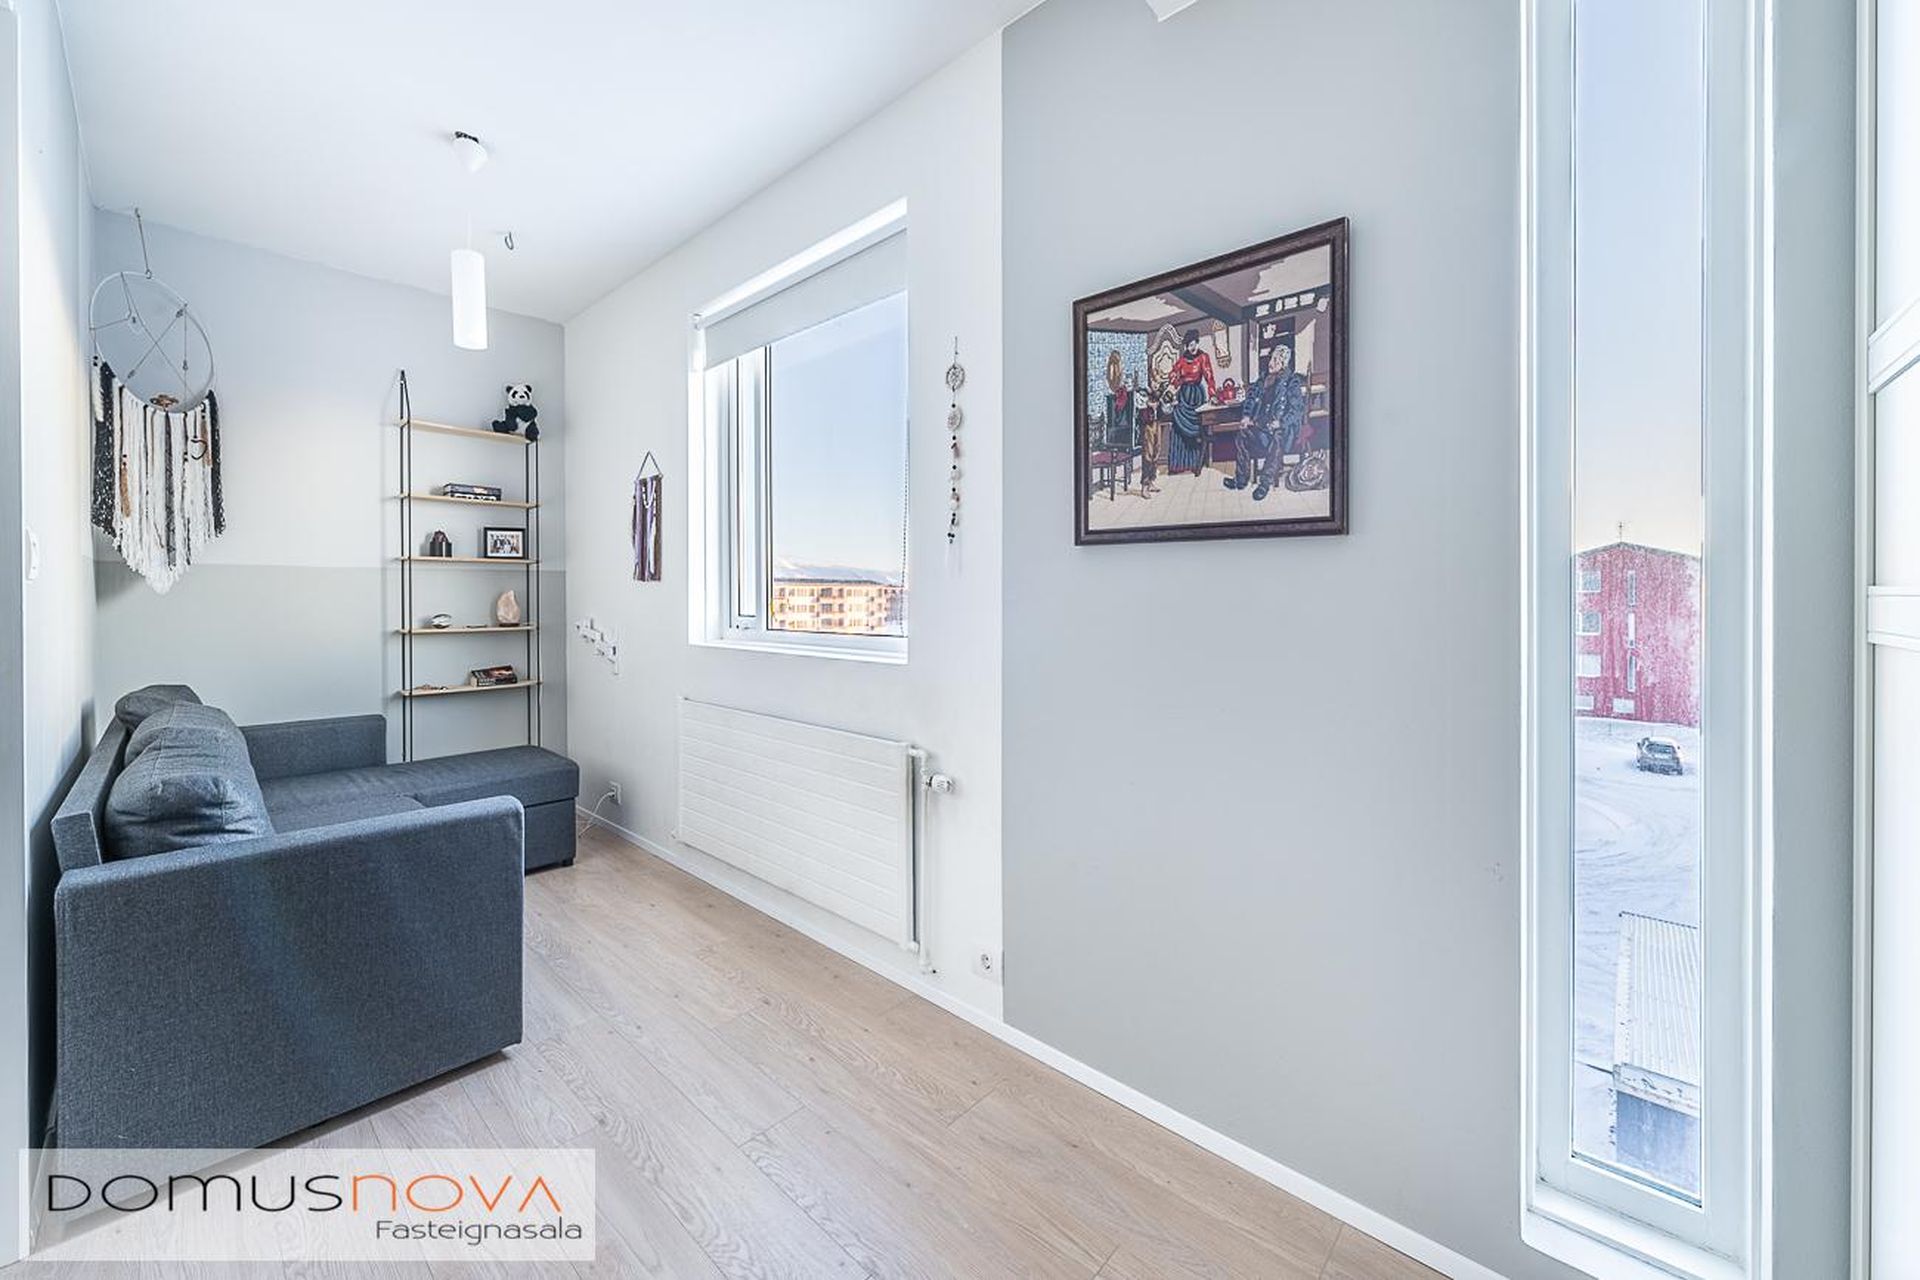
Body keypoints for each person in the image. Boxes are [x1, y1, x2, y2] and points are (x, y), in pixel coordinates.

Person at [1225, 344, 1307, 500]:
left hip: (1282, 429)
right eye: (1271, 359)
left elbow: (1297, 410)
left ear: (1283, 364)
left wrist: (1281, 422)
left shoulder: (1292, 381)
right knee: (1242, 433)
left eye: (1276, 360)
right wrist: (1246, 416)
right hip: (1261, 426)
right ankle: (1241, 479)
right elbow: (1250, 399)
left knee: (1278, 436)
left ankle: (1265, 483)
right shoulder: (1263, 379)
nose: (1271, 363)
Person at [1165, 329, 1218, 475]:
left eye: (1193, 344)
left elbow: (1209, 377)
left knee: (1197, 428)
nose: (1191, 347)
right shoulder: (1182, 360)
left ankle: (1196, 463)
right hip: (1183, 395)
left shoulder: (1203, 357)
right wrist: (1173, 378)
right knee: (1178, 428)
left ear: (1197, 342)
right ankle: (1178, 465)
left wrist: (1212, 394)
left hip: (1196, 395)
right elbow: (1174, 376)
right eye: (1188, 345)